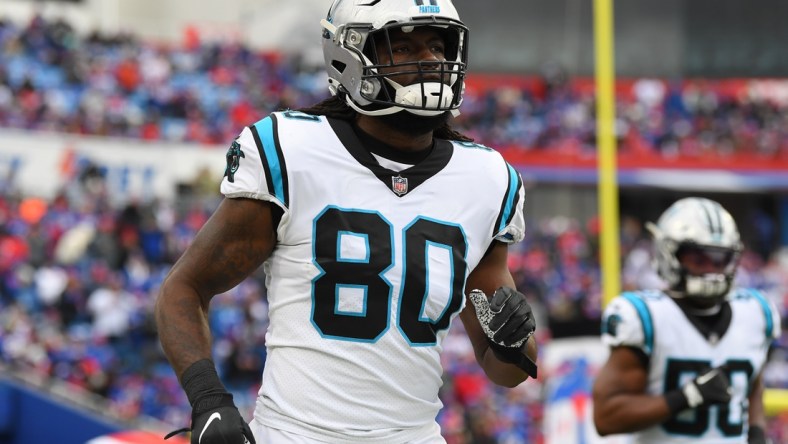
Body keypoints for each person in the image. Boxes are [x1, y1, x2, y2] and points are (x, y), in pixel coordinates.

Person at [155, 1, 538, 443]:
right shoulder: (293, 150)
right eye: (403, 46)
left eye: (437, 45)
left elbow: (506, 369)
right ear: (349, 56)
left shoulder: (486, 179)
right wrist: (208, 400)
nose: (431, 60)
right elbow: (183, 289)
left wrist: (513, 341)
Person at [592, 197, 781, 444]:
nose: (711, 269)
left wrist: (756, 433)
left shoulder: (756, 311)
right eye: (699, 259)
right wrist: (688, 397)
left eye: (720, 259)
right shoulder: (647, 316)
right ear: (669, 254)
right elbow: (606, 417)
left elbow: (752, 384)